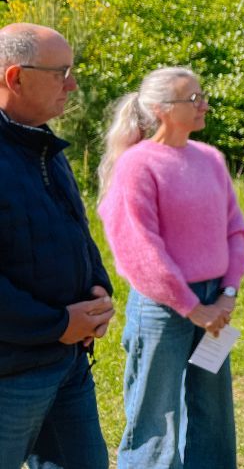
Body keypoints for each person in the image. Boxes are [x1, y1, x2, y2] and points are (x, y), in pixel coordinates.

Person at [98, 66, 244, 469]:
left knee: (214, 418)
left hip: (214, 303)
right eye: (194, 99)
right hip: (162, 310)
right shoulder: (137, 165)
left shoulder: (211, 159)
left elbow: (236, 231)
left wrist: (226, 296)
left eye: (202, 95)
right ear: (163, 109)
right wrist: (191, 307)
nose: (205, 105)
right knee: (156, 420)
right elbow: (139, 249)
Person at [0, 23, 115, 469]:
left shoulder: (44, 145)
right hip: (12, 372)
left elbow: (77, 232)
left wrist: (98, 291)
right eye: (61, 72)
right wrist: (55, 324)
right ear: (15, 78)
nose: (72, 84)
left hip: (67, 363)